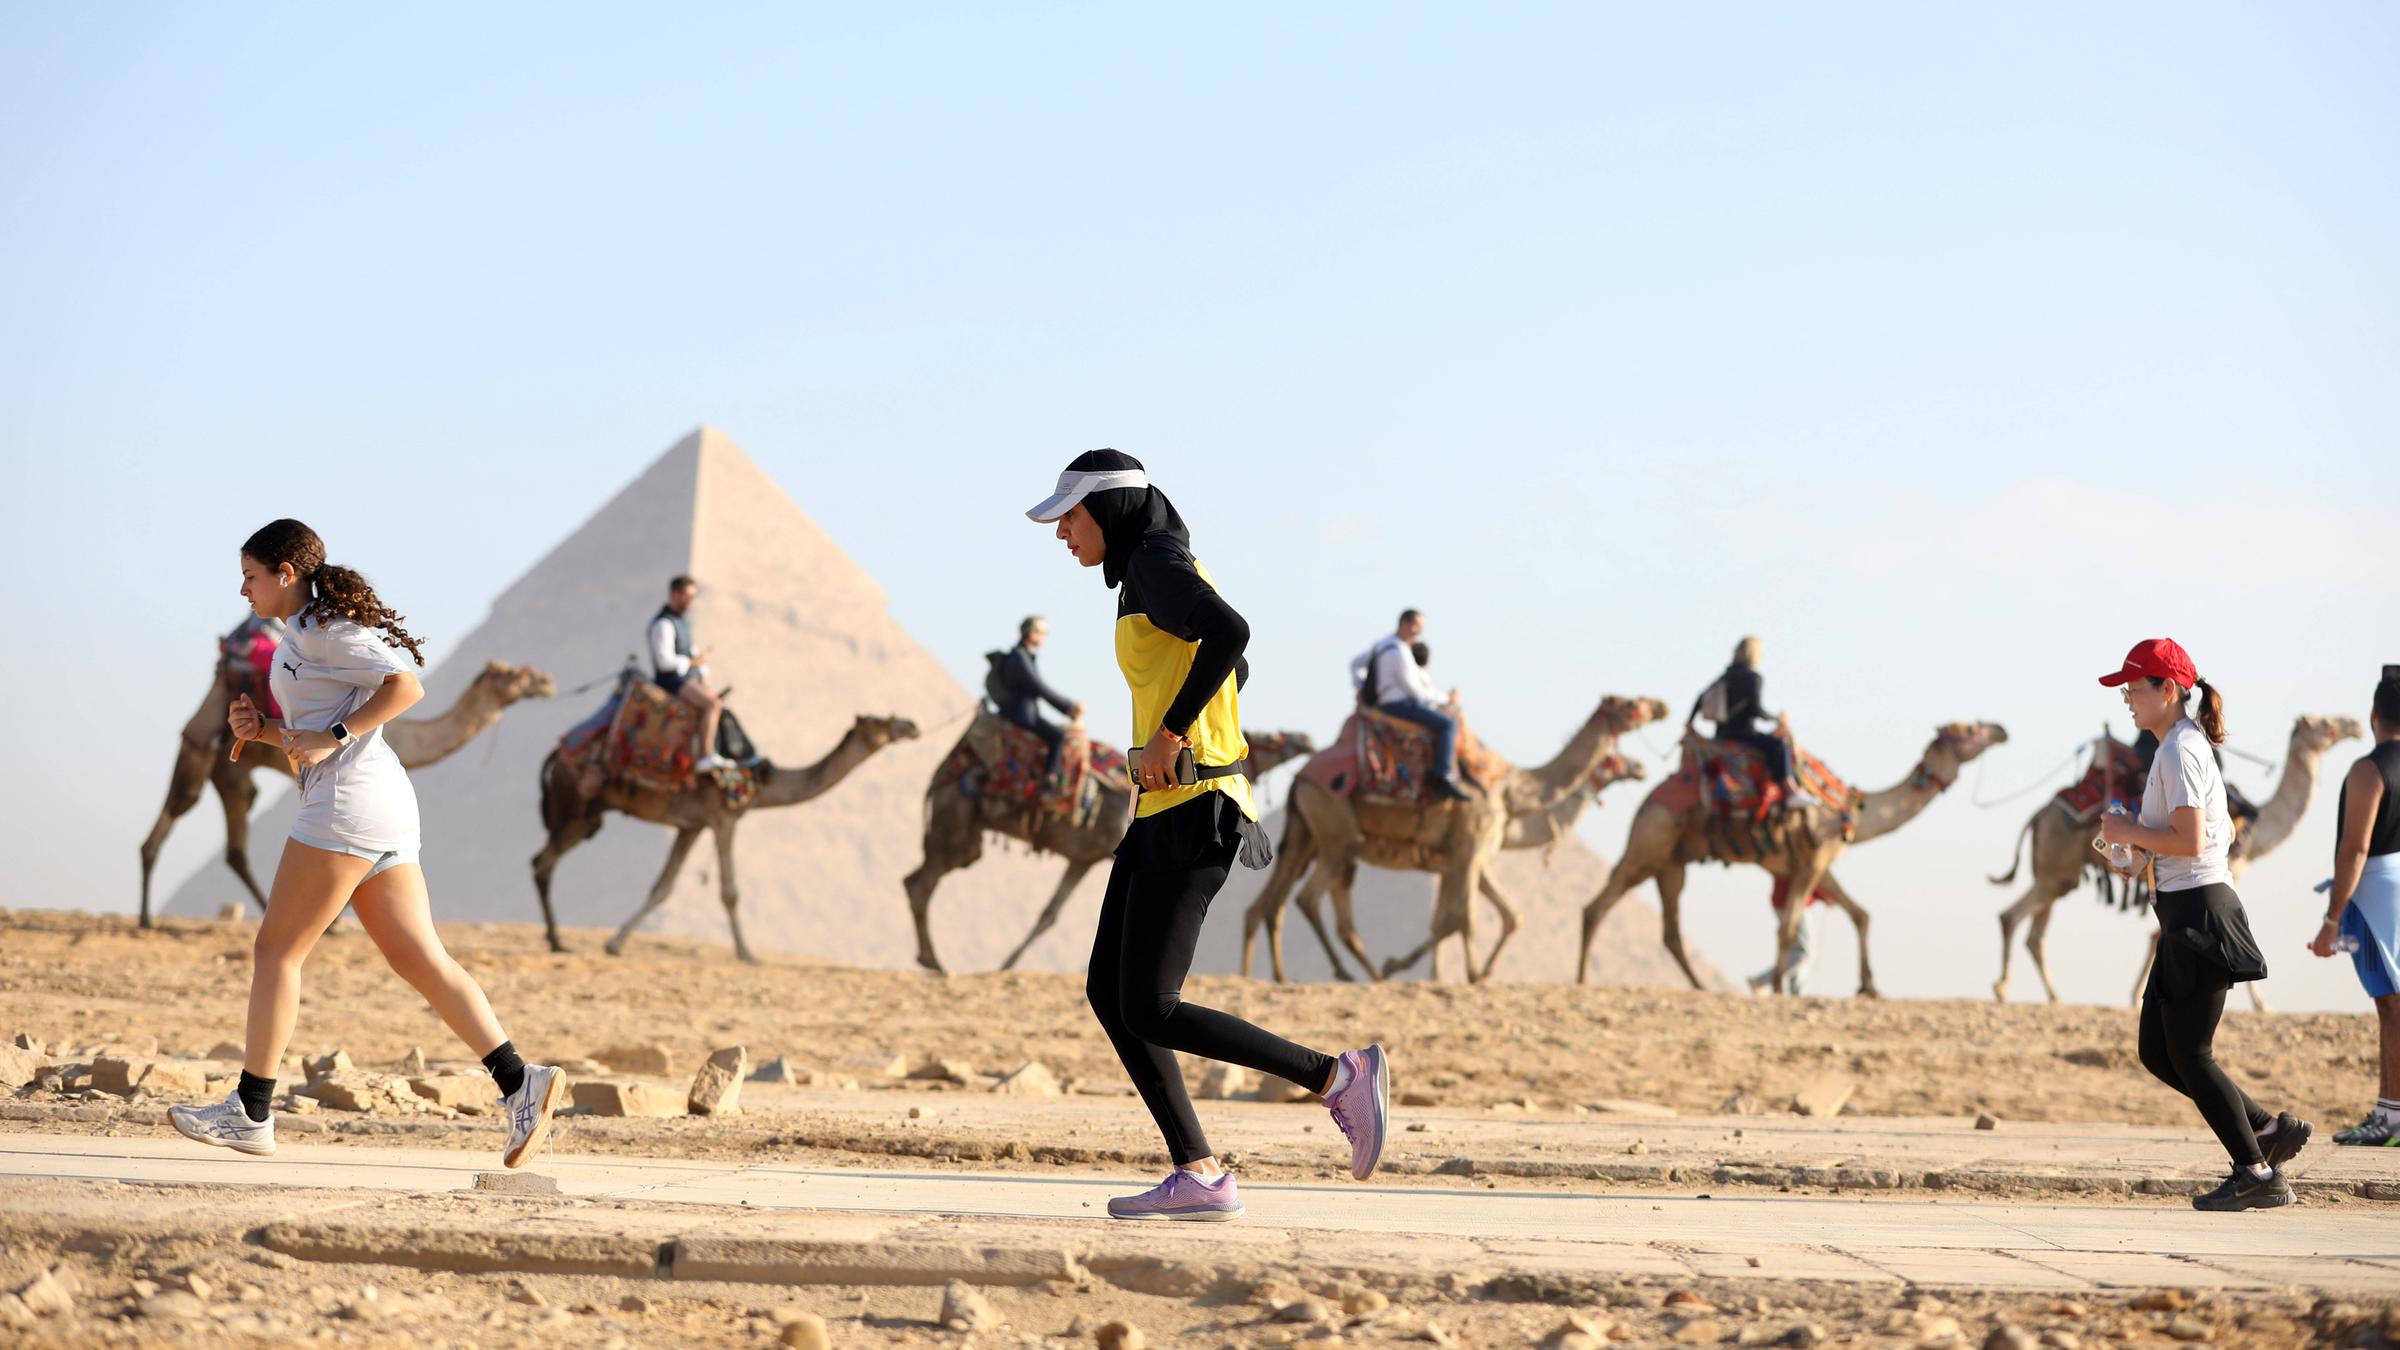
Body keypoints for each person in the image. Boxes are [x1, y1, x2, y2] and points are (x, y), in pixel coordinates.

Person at [1028, 449, 1390, 1220]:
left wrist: (1172, 732)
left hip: (1196, 808)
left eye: (1070, 516)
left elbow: (1231, 633)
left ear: (1110, 510)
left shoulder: (1156, 563)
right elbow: (1229, 663)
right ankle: (1198, 1173)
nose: (1061, 533)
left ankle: (1338, 1077)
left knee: (1152, 1006)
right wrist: (1192, 722)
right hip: (1162, 809)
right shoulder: (1150, 570)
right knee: (1111, 994)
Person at [168, 519, 565, 1167]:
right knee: (419, 958)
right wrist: (263, 728)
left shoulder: (327, 630)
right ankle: (522, 1083)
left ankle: (251, 1111)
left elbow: (406, 686)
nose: (243, 590)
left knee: (276, 950)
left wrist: (337, 737)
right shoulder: (301, 633)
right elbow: (314, 731)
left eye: (250, 576)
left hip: (345, 808)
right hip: (378, 808)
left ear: (285, 574)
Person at [2096, 638, 2311, 1209]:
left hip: (2202, 913)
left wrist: (2128, 833)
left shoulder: (2179, 751)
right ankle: (2266, 1130)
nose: (2128, 699)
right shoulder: (2171, 749)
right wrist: (2129, 854)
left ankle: (2258, 1173)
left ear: (2167, 689)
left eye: (2134, 688)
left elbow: (2191, 841)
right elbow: (2173, 842)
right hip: (2183, 909)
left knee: (2191, 1054)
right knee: (2158, 1051)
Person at [2315, 665, 2400, 1147]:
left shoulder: (2368, 770)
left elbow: (2355, 849)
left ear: (2373, 715)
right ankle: (2389, 1112)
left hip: (2378, 897)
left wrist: (2332, 919)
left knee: (2391, 1005)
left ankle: (2391, 1116)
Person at [1351, 610, 1469, 801]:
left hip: (1386, 702)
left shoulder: (1383, 645)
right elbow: (1416, 692)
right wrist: (1446, 698)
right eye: (1417, 626)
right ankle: (1443, 777)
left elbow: (1355, 664)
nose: (1420, 631)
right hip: (1399, 704)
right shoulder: (1399, 651)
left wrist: (1361, 689)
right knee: (1448, 724)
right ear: (1405, 624)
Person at [1691, 636, 1806, 804]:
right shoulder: (1753, 678)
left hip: (1722, 734)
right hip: (1744, 733)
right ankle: (1789, 789)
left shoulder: (1727, 675)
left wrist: (1689, 722)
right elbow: (1756, 709)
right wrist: (1777, 718)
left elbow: (1701, 698)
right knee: (1779, 745)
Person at [989, 615, 1084, 779]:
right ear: (1032, 634)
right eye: (1042, 632)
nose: (1045, 637)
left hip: (1021, 713)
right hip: (1021, 715)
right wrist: (1069, 708)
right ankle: (1050, 780)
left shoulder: (1023, 656)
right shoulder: (1019, 658)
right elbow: (1039, 687)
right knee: (1058, 737)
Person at [650, 575, 727, 773]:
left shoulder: (682, 622)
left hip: (687, 678)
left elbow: (690, 650)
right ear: (674, 595)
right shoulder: (663, 625)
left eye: (693, 596)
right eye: (687, 595)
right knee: (712, 704)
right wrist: (693, 663)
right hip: (671, 681)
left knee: (718, 703)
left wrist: (703, 671)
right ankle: (705, 756)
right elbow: (664, 662)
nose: (691, 600)